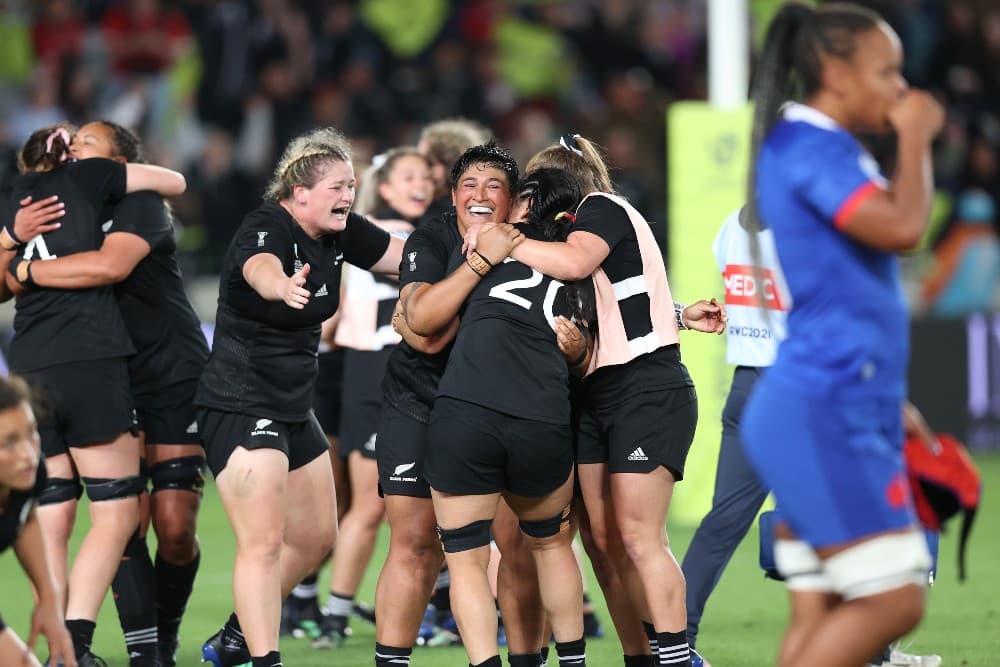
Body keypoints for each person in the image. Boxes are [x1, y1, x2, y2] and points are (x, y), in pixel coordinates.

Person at [738, 3, 944, 666]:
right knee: (895, 599)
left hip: (831, 400)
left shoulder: (814, 145)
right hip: (821, 407)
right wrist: (916, 139)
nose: (900, 89)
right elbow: (902, 227)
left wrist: (890, 401)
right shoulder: (810, 146)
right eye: (887, 71)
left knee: (820, 609)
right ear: (832, 70)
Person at [482, 133, 724, 667]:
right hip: (596, 395)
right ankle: (643, 657)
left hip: (645, 388)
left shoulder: (602, 209)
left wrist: (501, 240)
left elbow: (574, 266)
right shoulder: (572, 233)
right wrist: (679, 312)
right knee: (604, 541)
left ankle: (679, 658)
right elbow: (615, 299)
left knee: (640, 538)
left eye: (532, 191)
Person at [195, 126, 403, 667]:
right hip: (240, 404)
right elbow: (258, 268)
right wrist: (281, 285)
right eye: (337, 185)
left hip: (291, 406)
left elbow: (402, 259)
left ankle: (238, 637)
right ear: (298, 190)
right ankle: (265, 659)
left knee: (314, 538)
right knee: (263, 543)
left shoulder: (339, 232)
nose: (348, 195)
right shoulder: (266, 225)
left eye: (352, 185)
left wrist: (475, 260)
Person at [11, 120, 210, 667]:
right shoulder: (55, 203)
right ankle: (140, 651)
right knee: (121, 515)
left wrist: (25, 265)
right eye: (71, 146)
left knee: (171, 526)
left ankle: (155, 633)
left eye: (89, 145)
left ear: (118, 165)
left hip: (165, 372)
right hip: (100, 369)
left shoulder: (136, 202)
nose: (76, 150)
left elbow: (109, 265)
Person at [417, 151, 589, 667]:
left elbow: (423, 322)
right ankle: (574, 661)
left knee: (466, 562)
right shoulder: (574, 266)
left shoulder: (478, 242)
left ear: (519, 206)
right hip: (542, 414)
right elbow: (585, 349)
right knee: (551, 547)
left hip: (467, 408)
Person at [369, 128, 497, 667]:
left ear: (513, 199)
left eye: (494, 184)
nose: (479, 193)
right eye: (468, 183)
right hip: (417, 398)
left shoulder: (532, 243)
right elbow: (426, 332)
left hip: (496, 405)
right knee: (416, 543)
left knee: (509, 548)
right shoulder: (430, 238)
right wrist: (478, 267)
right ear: (453, 195)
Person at [314, 146, 433, 648]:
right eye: (407, 176)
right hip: (371, 370)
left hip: (418, 369)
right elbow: (338, 312)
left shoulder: (433, 232)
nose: (420, 184)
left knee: (426, 505)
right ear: (382, 187)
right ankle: (334, 613)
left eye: (426, 176)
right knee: (370, 504)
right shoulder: (364, 233)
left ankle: (427, 615)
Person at [679, 206, 788, 664]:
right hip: (796, 385)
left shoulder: (733, 223)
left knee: (722, 521)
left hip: (748, 385)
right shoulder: (802, 222)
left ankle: (673, 638)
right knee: (847, 518)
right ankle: (874, 650)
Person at [0, 375, 76, 667]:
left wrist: (49, 598)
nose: (29, 454)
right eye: (9, 443)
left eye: (31, 432)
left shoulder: (28, 477)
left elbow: (25, 517)